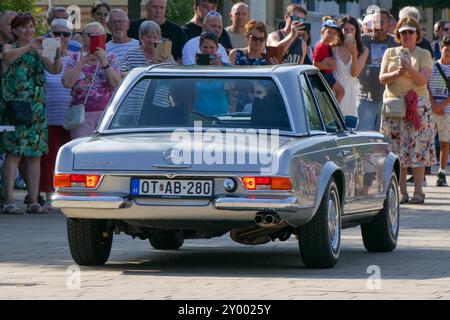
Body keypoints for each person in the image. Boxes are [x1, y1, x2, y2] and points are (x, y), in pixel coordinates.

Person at [0, 13, 62, 214]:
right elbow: (7, 58)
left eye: (31, 26)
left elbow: (54, 69)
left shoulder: (38, 50)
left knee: (35, 155)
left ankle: (34, 201)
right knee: (14, 153)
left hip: (36, 109)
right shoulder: (9, 47)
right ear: (16, 31)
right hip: (15, 109)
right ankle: (9, 201)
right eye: (24, 27)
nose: (29, 31)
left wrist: (58, 53)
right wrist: (30, 46)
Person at [379, 17, 435, 204]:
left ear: (417, 34)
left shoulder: (424, 53)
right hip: (394, 108)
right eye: (403, 32)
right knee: (396, 151)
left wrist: (409, 68)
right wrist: (397, 73)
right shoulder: (389, 52)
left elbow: (422, 81)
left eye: (411, 31)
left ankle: (418, 192)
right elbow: (382, 78)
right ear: (398, 34)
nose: (407, 35)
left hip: (417, 108)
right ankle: (401, 192)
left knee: (417, 151)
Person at [62, 22, 121, 139]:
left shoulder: (111, 58)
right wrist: (81, 62)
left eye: (99, 36)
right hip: (81, 116)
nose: (94, 39)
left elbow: (117, 85)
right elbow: (67, 83)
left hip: (106, 115)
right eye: (90, 35)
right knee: (81, 152)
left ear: (104, 38)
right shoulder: (74, 58)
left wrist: (104, 62)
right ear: (83, 38)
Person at [39, 19, 74, 212]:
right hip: (48, 114)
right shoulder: (42, 57)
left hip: (70, 115)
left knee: (67, 157)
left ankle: (68, 194)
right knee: (49, 157)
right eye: (56, 34)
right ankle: (48, 195)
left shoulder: (75, 57)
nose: (61, 38)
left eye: (65, 34)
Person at [357, 9, 398, 131]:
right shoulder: (362, 41)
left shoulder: (395, 42)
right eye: (375, 22)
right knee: (363, 140)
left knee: (383, 141)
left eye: (381, 22)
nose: (378, 25)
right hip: (366, 99)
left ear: (389, 24)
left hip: (388, 100)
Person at [333, 16, 369, 116]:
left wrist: (353, 53)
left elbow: (354, 74)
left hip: (350, 92)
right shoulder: (334, 47)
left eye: (352, 29)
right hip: (335, 89)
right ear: (341, 31)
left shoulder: (363, 50)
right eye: (345, 29)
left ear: (356, 31)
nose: (349, 32)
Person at [428, 35, 450, 187]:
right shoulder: (433, 66)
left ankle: (441, 172)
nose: (448, 53)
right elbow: (426, 86)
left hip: (446, 111)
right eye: (446, 50)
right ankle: (423, 170)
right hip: (431, 109)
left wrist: (441, 106)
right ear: (441, 49)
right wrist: (433, 104)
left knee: (444, 142)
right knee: (427, 141)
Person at [194, 32, 230, 116]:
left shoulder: (227, 68)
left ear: (217, 48)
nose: (208, 50)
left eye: (212, 47)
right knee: (197, 129)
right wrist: (196, 67)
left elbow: (234, 89)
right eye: (205, 47)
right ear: (200, 48)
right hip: (198, 115)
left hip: (220, 115)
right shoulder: (193, 69)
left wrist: (221, 69)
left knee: (220, 130)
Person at [313, 19, 345, 103]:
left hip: (328, 74)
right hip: (325, 76)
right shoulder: (320, 46)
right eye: (329, 32)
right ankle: (334, 111)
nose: (332, 35)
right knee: (341, 92)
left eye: (334, 33)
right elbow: (315, 64)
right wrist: (328, 66)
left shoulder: (327, 46)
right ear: (322, 32)